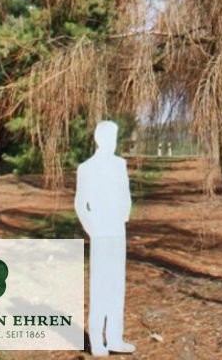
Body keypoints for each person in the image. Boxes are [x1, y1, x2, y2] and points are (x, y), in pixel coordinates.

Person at [74, 120, 134, 356]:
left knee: (117, 286)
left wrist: (122, 217)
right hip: (100, 234)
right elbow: (80, 203)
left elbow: (125, 194)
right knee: (100, 287)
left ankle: (115, 338)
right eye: (111, 136)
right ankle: (97, 341)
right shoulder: (86, 168)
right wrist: (92, 228)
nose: (114, 141)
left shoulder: (120, 164)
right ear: (101, 139)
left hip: (118, 232)